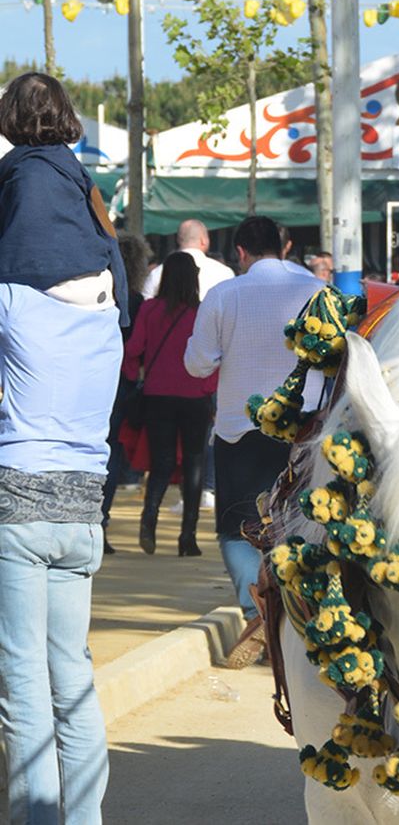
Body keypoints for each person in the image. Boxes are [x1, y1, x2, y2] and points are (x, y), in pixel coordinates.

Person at [0, 71, 126, 822]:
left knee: (22, 692)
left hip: (17, 505)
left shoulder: (12, 302)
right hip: (84, 511)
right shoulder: (108, 307)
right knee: (71, 683)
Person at [184, 215, 323, 619]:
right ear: (284, 248)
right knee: (301, 523)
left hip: (239, 429)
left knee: (238, 525)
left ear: (240, 252)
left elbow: (198, 364)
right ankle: (296, 612)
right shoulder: (318, 291)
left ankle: (254, 610)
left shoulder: (224, 294)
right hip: (305, 427)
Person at [124, 252, 217, 557]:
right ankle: (187, 537)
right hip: (195, 396)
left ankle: (149, 516)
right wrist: (209, 390)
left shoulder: (150, 309)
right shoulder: (201, 313)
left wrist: (131, 376)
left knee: (161, 461)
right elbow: (213, 357)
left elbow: (134, 348)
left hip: (157, 394)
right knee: (194, 463)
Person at [102, 230, 153, 553]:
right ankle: (101, 521)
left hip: (89, 380)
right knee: (110, 451)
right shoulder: (138, 304)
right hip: (123, 382)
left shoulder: (96, 296)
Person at [141, 217, 233, 299]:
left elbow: (147, 304)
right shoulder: (224, 273)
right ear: (203, 241)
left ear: (178, 240)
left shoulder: (157, 273)